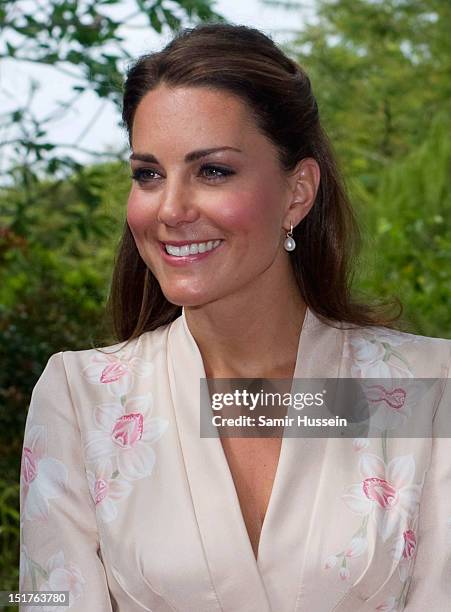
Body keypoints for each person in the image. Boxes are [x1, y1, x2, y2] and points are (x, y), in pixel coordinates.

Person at [19, 23, 450, 612]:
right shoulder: (82, 398)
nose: (170, 209)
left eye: (213, 171)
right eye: (148, 174)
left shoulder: (425, 390)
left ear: (297, 192)